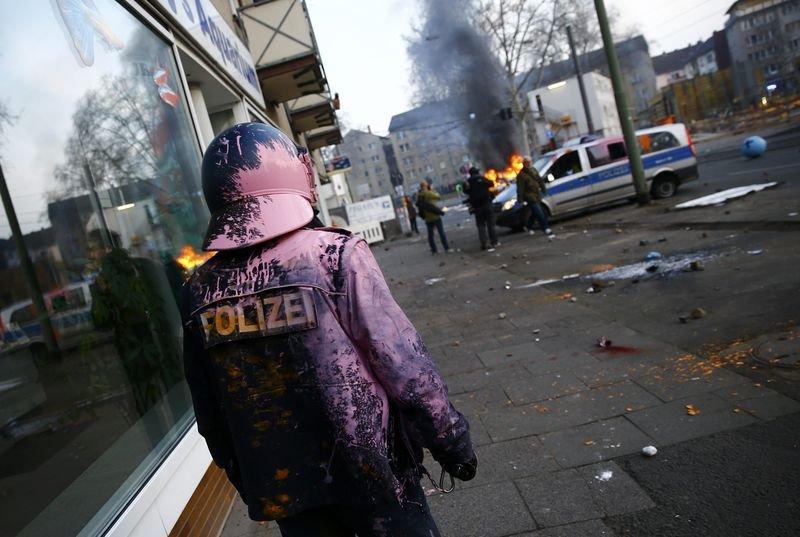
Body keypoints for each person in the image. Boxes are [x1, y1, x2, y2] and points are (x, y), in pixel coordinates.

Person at [181, 123, 476, 537]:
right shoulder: (333, 255)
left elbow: (209, 411)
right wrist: (450, 440)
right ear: (294, 177)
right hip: (374, 473)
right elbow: (405, 365)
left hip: (288, 490)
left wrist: (251, 478)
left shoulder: (198, 290)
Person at [516, 157, 554, 238]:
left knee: (535, 212)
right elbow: (520, 188)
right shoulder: (521, 175)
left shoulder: (533, 170)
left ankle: (528, 226)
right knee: (540, 212)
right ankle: (546, 228)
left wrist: (544, 189)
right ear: (524, 163)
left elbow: (539, 180)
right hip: (529, 197)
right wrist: (520, 200)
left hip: (537, 195)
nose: (529, 163)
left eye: (530, 162)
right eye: (527, 162)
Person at [464, 166, 499, 251]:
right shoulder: (482, 178)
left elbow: (465, 191)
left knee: (481, 226)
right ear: (477, 172)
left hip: (477, 207)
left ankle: (484, 243)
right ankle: (494, 242)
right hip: (487, 204)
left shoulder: (468, 182)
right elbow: (491, 183)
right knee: (490, 224)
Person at [416, 180, 452, 254]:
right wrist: (432, 190)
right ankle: (446, 248)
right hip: (434, 215)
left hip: (427, 217)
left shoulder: (419, 195)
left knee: (430, 235)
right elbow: (438, 197)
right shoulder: (428, 193)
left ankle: (434, 250)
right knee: (441, 232)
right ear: (426, 186)